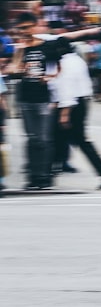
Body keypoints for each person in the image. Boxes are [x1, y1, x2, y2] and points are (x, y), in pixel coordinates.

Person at [50, 38, 101, 190]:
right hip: (82, 102)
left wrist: (64, 113)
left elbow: (67, 88)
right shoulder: (77, 60)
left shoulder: (66, 64)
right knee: (66, 139)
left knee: (70, 139)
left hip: (71, 105)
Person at [6, 13, 59, 190]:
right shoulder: (20, 48)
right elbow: (13, 70)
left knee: (43, 139)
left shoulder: (48, 47)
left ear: (35, 26)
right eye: (21, 28)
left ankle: (45, 177)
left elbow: (56, 70)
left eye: (27, 27)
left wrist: (49, 78)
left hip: (44, 98)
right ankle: (33, 177)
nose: (25, 31)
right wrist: (20, 51)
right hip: (25, 99)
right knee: (31, 139)